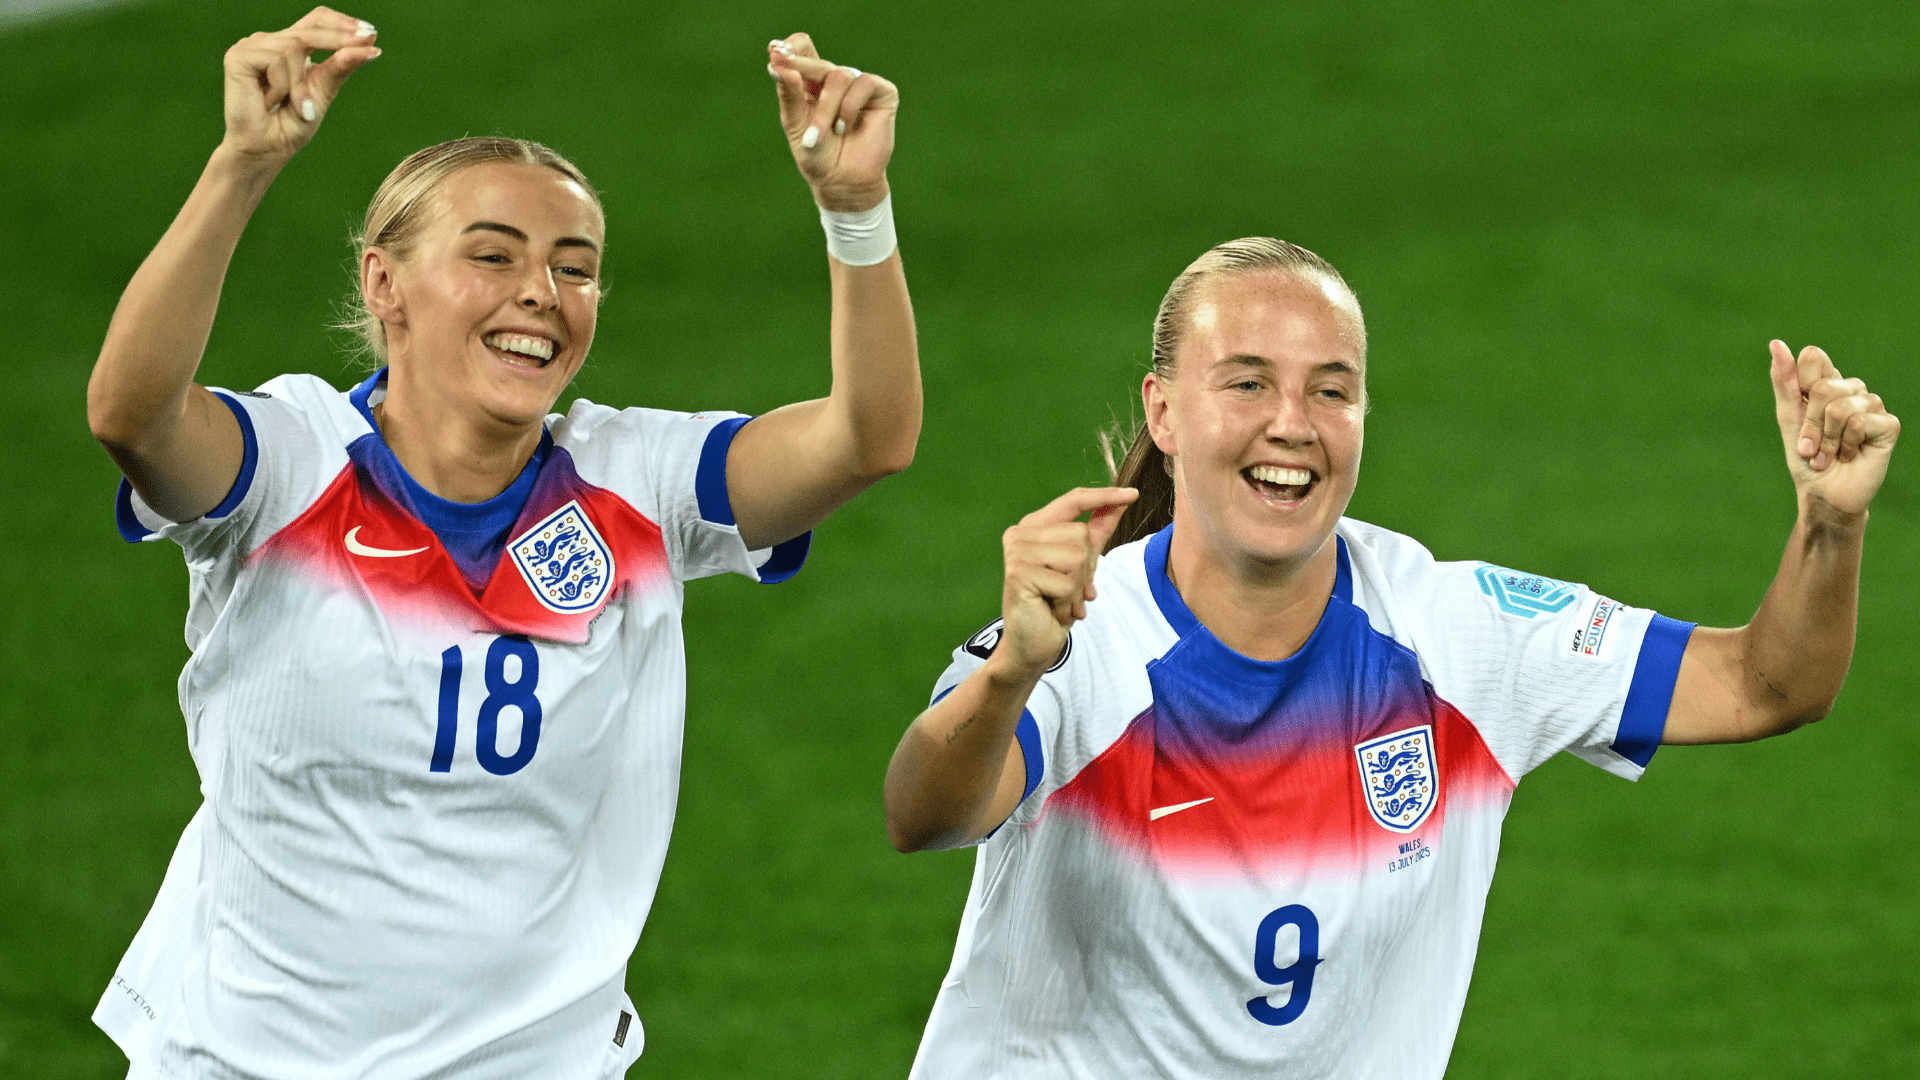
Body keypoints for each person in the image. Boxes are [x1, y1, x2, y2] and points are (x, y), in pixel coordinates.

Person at [85, 8, 917, 1077]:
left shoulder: (637, 483)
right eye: (493, 256)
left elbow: (869, 437)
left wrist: (855, 210)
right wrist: (243, 163)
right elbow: (133, 414)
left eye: (577, 268)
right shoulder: (290, 466)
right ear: (384, 283)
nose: (541, 293)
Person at [883, 237, 1897, 1078]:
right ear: (1163, 411)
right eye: (1248, 382)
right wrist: (1013, 671)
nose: (1293, 425)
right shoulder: (1080, 638)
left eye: (1331, 391)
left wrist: (1831, 524)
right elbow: (923, 813)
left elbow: (1769, 684)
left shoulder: (1459, 635)